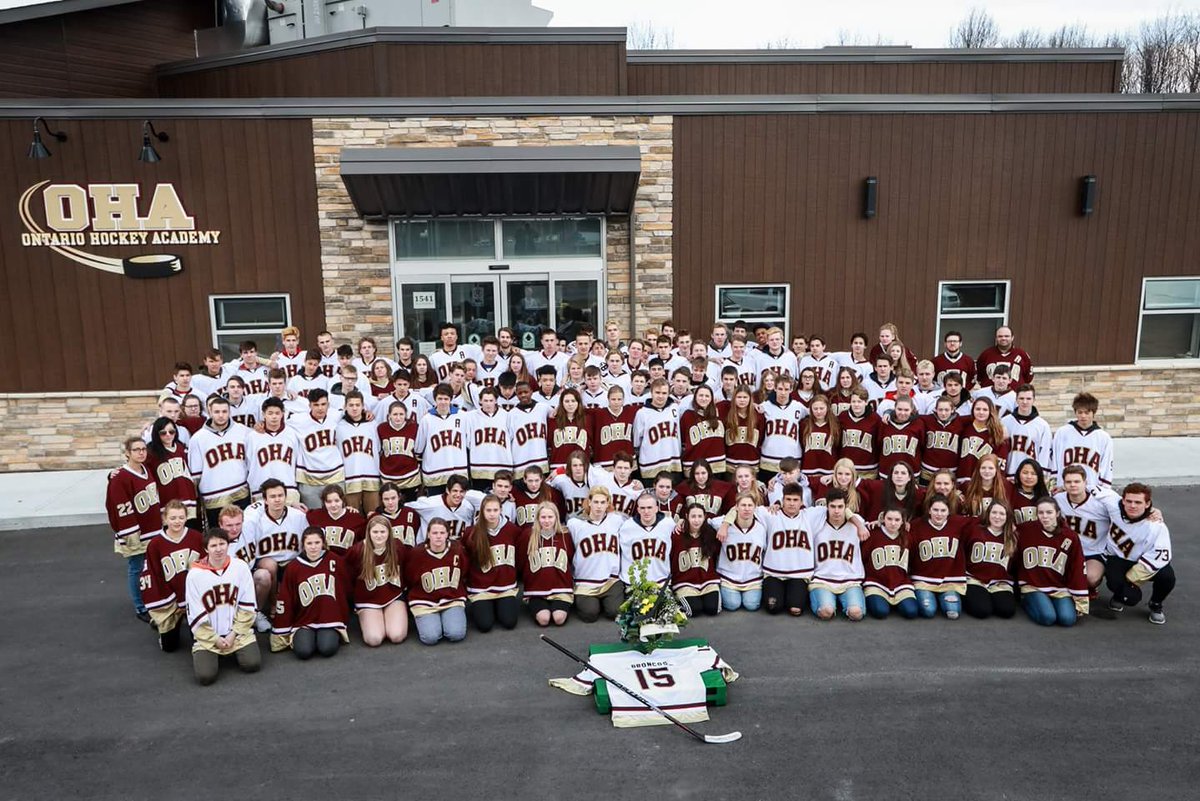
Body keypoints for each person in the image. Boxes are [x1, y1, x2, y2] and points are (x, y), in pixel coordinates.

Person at [185, 529, 262, 686]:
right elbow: (194, 613)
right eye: (213, 546)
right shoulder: (194, 575)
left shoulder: (240, 567)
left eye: (222, 544)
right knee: (206, 677)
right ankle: (213, 652)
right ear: (206, 549)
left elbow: (247, 605)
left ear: (228, 545)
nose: (219, 549)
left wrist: (233, 634)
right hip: (208, 636)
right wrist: (215, 639)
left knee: (253, 664)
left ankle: (232, 648)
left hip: (237, 634)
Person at [106, 436, 162, 622]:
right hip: (135, 532)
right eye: (136, 450)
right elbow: (119, 507)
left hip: (153, 529)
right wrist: (130, 532)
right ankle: (140, 606)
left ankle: (152, 599)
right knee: (137, 568)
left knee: (151, 567)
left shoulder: (146, 469)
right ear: (127, 453)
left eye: (143, 449)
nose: (141, 453)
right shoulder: (120, 477)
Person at [271, 527, 350, 657]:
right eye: (309, 543)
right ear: (303, 544)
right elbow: (286, 598)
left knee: (327, 649)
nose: (313, 547)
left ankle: (326, 636)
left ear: (323, 542)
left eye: (317, 543)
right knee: (304, 651)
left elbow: (345, 589)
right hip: (304, 620)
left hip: (329, 618)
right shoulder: (294, 566)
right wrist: (281, 629)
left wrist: (343, 614)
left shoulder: (334, 560)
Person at [1105, 483, 1174, 624]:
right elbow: (1090, 488)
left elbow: (1161, 555)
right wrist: (1063, 488)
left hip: (1144, 562)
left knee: (1167, 577)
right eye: (1129, 501)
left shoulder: (1156, 525)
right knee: (1123, 591)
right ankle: (1119, 595)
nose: (1132, 506)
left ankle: (1156, 604)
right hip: (1119, 558)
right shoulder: (1113, 507)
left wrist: (1133, 578)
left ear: (1147, 504)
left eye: (1138, 502)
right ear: (1122, 501)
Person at [139, 500, 203, 651]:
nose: (177, 521)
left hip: (194, 597)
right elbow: (153, 576)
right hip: (170, 600)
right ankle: (164, 625)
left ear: (186, 517)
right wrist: (173, 600)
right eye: (173, 518)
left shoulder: (197, 537)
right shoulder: (155, 544)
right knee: (170, 647)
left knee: (200, 640)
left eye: (181, 517)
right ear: (165, 519)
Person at [1015, 498, 1087, 626]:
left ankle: (1047, 603)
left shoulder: (1070, 536)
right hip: (1033, 586)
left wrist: (1080, 599)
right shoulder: (1025, 530)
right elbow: (1004, 529)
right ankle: (1026, 601)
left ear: (1057, 513)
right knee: (1048, 618)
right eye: (1041, 513)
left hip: (1059, 587)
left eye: (1049, 512)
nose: (1045, 516)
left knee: (1067, 620)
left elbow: (1077, 567)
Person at [188, 396, 251, 528]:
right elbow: (195, 477)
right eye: (217, 412)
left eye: (224, 411)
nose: (221, 415)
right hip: (213, 497)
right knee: (218, 535)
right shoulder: (198, 438)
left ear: (229, 412)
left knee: (243, 531)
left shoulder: (243, 431)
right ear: (209, 412)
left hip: (241, 492)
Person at [565, 486, 625, 622]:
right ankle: (596, 603)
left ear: (608, 503)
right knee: (589, 615)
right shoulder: (574, 524)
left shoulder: (617, 520)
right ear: (589, 502)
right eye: (596, 502)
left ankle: (606, 602)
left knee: (615, 612)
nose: (599, 506)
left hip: (610, 581)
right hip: (585, 582)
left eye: (603, 502)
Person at [346, 515, 408, 646]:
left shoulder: (397, 547)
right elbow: (346, 576)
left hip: (393, 596)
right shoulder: (357, 551)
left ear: (389, 532)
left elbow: (406, 568)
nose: (379, 536)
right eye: (375, 532)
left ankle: (389, 618)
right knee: (374, 639)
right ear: (368, 533)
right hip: (368, 600)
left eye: (382, 532)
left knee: (396, 636)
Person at [463, 495, 522, 632]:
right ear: (482, 511)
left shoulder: (512, 529)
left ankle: (498, 606)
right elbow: (465, 560)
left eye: (495, 510)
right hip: (481, 589)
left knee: (509, 622)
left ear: (501, 510)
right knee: (485, 625)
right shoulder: (471, 532)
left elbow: (519, 555)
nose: (492, 514)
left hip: (505, 587)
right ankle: (483, 607)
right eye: (488, 510)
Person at [806, 489, 867, 621]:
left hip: (850, 581)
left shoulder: (858, 523)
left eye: (840, 507)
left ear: (846, 508)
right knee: (826, 612)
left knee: (856, 613)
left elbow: (876, 527)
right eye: (833, 506)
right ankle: (828, 603)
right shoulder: (816, 520)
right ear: (826, 506)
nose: (836, 511)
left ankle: (844, 603)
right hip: (822, 580)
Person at [759, 483, 817, 616]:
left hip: (799, 574)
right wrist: (725, 524)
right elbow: (742, 507)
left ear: (802, 502)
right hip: (774, 573)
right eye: (788, 499)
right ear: (782, 500)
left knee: (795, 609)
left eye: (795, 500)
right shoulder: (771, 514)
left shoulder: (810, 515)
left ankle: (791, 596)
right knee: (773, 608)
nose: (791, 503)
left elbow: (838, 508)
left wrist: (860, 526)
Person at [908, 495, 968, 619]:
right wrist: (880, 520)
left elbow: (983, 520)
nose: (939, 514)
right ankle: (932, 598)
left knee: (953, 612)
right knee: (928, 611)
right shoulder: (916, 525)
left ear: (949, 512)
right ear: (929, 510)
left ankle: (942, 598)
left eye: (943, 510)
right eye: (935, 510)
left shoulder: (958, 523)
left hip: (950, 581)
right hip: (923, 580)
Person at [518, 503, 575, 627]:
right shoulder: (528, 535)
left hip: (561, 588)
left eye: (550, 517)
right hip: (536, 589)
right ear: (538, 518)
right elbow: (520, 561)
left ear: (556, 517)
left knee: (559, 619)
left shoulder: (565, 535)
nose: (547, 521)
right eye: (543, 517)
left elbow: (570, 558)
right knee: (544, 620)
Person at [962, 501, 1018, 619]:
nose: (997, 516)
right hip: (975, 578)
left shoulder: (1012, 537)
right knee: (982, 611)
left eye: (1002, 514)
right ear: (988, 514)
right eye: (994, 512)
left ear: (1008, 516)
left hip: (1000, 582)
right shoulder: (975, 530)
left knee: (1006, 611)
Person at [862, 507, 919, 619]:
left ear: (903, 521)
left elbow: (912, 559)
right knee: (880, 611)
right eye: (889, 519)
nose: (893, 523)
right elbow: (863, 558)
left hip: (901, 583)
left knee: (911, 612)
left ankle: (897, 602)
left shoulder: (908, 537)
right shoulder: (873, 534)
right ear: (883, 519)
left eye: (897, 520)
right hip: (876, 583)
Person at [713, 492, 766, 611]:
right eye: (743, 505)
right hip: (729, 578)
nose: (746, 509)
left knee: (751, 605)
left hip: (753, 579)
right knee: (733, 605)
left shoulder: (762, 527)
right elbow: (704, 522)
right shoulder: (722, 523)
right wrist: (725, 525)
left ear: (755, 507)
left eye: (750, 505)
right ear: (736, 507)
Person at [1052, 392, 1114, 490]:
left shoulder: (1103, 437)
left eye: (1087, 412)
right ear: (1075, 412)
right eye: (1080, 412)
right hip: (1064, 489)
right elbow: (1054, 462)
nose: (1083, 416)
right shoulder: (1062, 433)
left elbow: (1106, 467)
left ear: (1093, 413)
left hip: (1091, 490)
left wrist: (1104, 490)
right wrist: (1054, 484)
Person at [245, 398, 301, 506]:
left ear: (283, 414)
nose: (274, 416)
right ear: (263, 414)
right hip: (260, 490)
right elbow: (248, 464)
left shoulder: (292, 433)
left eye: (277, 413)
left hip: (289, 488)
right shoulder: (252, 437)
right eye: (270, 413)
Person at [416, 384, 469, 494]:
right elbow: (418, 448)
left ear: (451, 399)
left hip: (457, 471)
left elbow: (469, 443)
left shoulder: (463, 416)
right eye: (440, 399)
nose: (443, 402)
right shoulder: (426, 419)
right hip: (434, 472)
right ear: (435, 399)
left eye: (446, 399)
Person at [335, 391, 381, 514]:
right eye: (351, 405)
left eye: (357, 405)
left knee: (374, 515)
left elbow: (379, 449)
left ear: (363, 406)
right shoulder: (339, 426)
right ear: (345, 407)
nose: (354, 408)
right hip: (350, 478)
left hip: (372, 477)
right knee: (352, 516)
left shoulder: (373, 425)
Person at [145, 416, 198, 521]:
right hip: (167, 502)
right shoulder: (151, 453)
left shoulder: (182, 447)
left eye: (171, 432)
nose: (168, 435)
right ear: (156, 434)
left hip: (188, 500)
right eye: (163, 433)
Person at [618, 492, 675, 589]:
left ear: (656, 508)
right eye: (642, 508)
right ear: (638, 509)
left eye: (649, 508)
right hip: (634, 584)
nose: (646, 511)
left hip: (662, 582)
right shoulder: (626, 527)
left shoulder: (668, 524)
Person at [759, 373, 807, 481]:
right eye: (780, 389)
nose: (783, 393)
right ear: (775, 388)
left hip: (792, 460)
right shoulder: (765, 406)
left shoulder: (799, 407)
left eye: (786, 389)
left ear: (791, 390)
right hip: (768, 460)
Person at [634, 378, 682, 482]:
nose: (660, 396)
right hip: (650, 465)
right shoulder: (642, 413)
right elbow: (637, 441)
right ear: (651, 393)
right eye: (657, 392)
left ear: (669, 394)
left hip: (673, 462)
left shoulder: (674, 408)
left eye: (664, 393)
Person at [1003, 383, 1053, 482]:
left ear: (1034, 400)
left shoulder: (1042, 425)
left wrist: (1040, 475)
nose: (1025, 402)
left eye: (1028, 399)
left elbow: (1045, 453)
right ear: (1016, 400)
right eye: (1021, 398)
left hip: (1030, 477)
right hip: (1008, 476)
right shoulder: (1005, 422)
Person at [957, 397, 1010, 483]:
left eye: (985, 410)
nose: (981, 412)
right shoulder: (964, 425)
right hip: (961, 478)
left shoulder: (997, 434)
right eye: (978, 409)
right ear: (973, 410)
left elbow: (1001, 464)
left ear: (991, 412)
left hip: (982, 481)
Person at [377, 402, 421, 500]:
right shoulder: (381, 428)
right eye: (395, 414)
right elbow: (379, 450)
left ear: (406, 415)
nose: (398, 417)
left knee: (410, 505)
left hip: (411, 477)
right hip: (388, 477)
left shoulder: (414, 427)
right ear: (389, 415)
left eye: (401, 414)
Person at [306, 484, 366, 556]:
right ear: (324, 502)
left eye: (337, 501)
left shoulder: (356, 519)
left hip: (347, 560)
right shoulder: (315, 516)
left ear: (343, 500)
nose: (333, 505)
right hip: (323, 560)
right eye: (329, 501)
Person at [680, 385, 726, 477]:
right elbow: (683, 441)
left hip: (717, 465)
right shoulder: (687, 415)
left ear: (712, 398)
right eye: (701, 395)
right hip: (694, 466)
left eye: (707, 396)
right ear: (695, 397)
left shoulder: (719, 412)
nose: (704, 398)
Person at [837, 388, 880, 479]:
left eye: (859, 401)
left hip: (868, 471)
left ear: (866, 402)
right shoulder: (843, 417)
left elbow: (879, 443)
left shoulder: (875, 419)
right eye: (853, 401)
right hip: (846, 469)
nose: (856, 404)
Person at [724, 385, 764, 475]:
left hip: (752, 465)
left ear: (750, 398)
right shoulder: (727, 412)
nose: (742, 400)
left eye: (745, 397)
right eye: (739, 397)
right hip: (731, 465)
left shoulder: (758, 415)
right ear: (734, 398)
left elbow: (761, 439)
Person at [548, 389, 590, 472]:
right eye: (567, 401)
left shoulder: (588, 419)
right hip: (558, 466)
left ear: (578, 402)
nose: (570, 404)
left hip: (580, 467)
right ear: (562, 403)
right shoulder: (552, 421)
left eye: (573, 401)